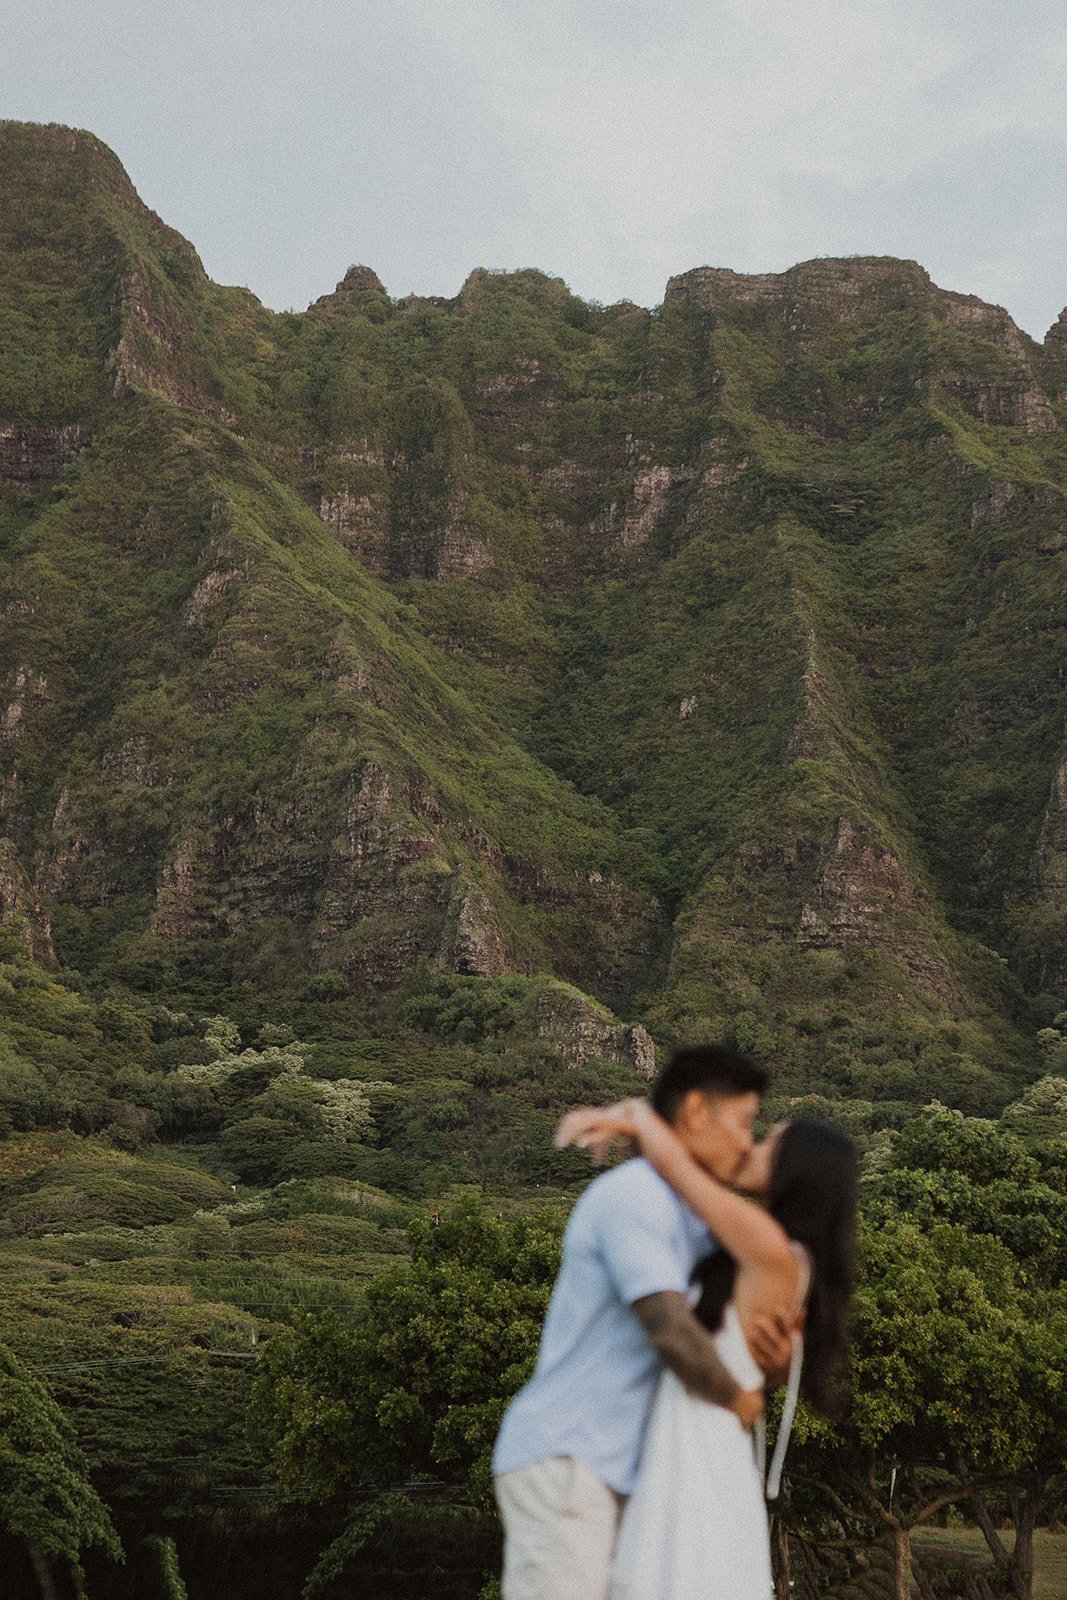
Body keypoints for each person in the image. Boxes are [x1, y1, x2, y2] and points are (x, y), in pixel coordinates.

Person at [491, 1045, 795, 1600]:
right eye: (745, 1122)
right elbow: (668, 1326)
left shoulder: (694, 1217)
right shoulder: (635, 1197)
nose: (748, 1142)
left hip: (628, 1470)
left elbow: (728, 1324)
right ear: (697, 1112)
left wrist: (775, 1365)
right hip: (569, 1458)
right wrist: (739, 1400)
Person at [556, 1094, 859, 1600]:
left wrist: (635, 1117)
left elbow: (680, 1174)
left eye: (769, 1143)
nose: (751, 1148)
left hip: (698, 1434)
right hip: (699, 1429)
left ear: (796, 1171)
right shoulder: (775, 1253)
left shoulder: (769, 1247)